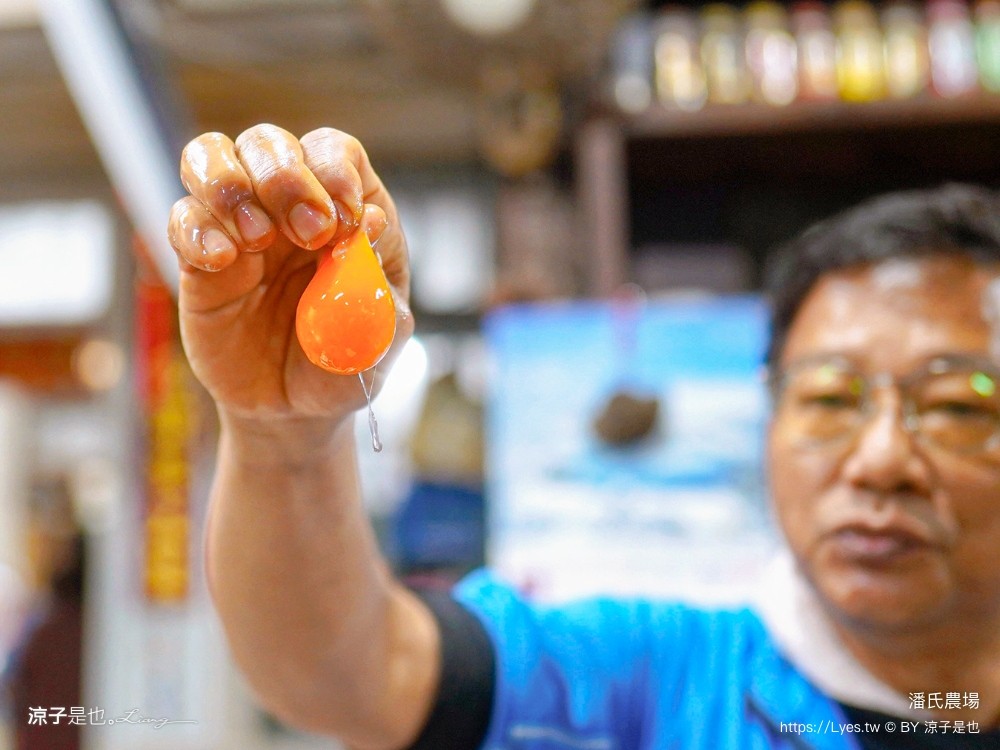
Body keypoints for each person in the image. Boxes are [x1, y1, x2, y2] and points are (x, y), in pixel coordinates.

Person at [168, 124, 1000, 749]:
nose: (881, 460)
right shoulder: (662, 678)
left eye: (956, 406)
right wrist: (283, 436)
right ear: (771, 418)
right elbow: (355, 677)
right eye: (828, 397)